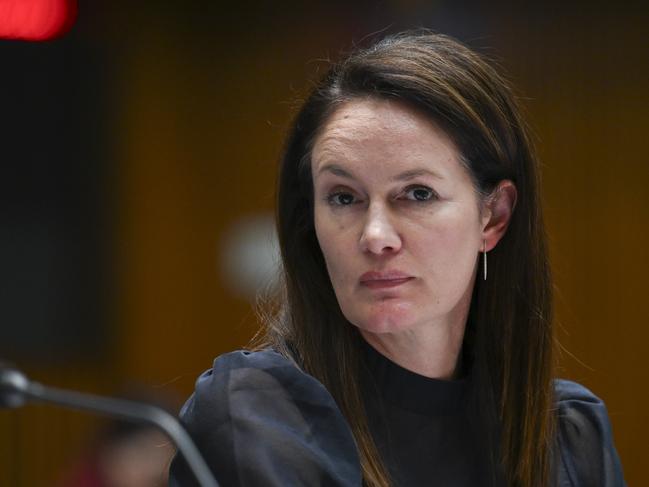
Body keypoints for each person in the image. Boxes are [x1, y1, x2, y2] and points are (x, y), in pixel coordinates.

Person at [169, 31, 625, 487]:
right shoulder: (256, 414)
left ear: (493, 217)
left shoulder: (569, 434)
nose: (376, 236)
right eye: (344, 197)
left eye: (417, 194)